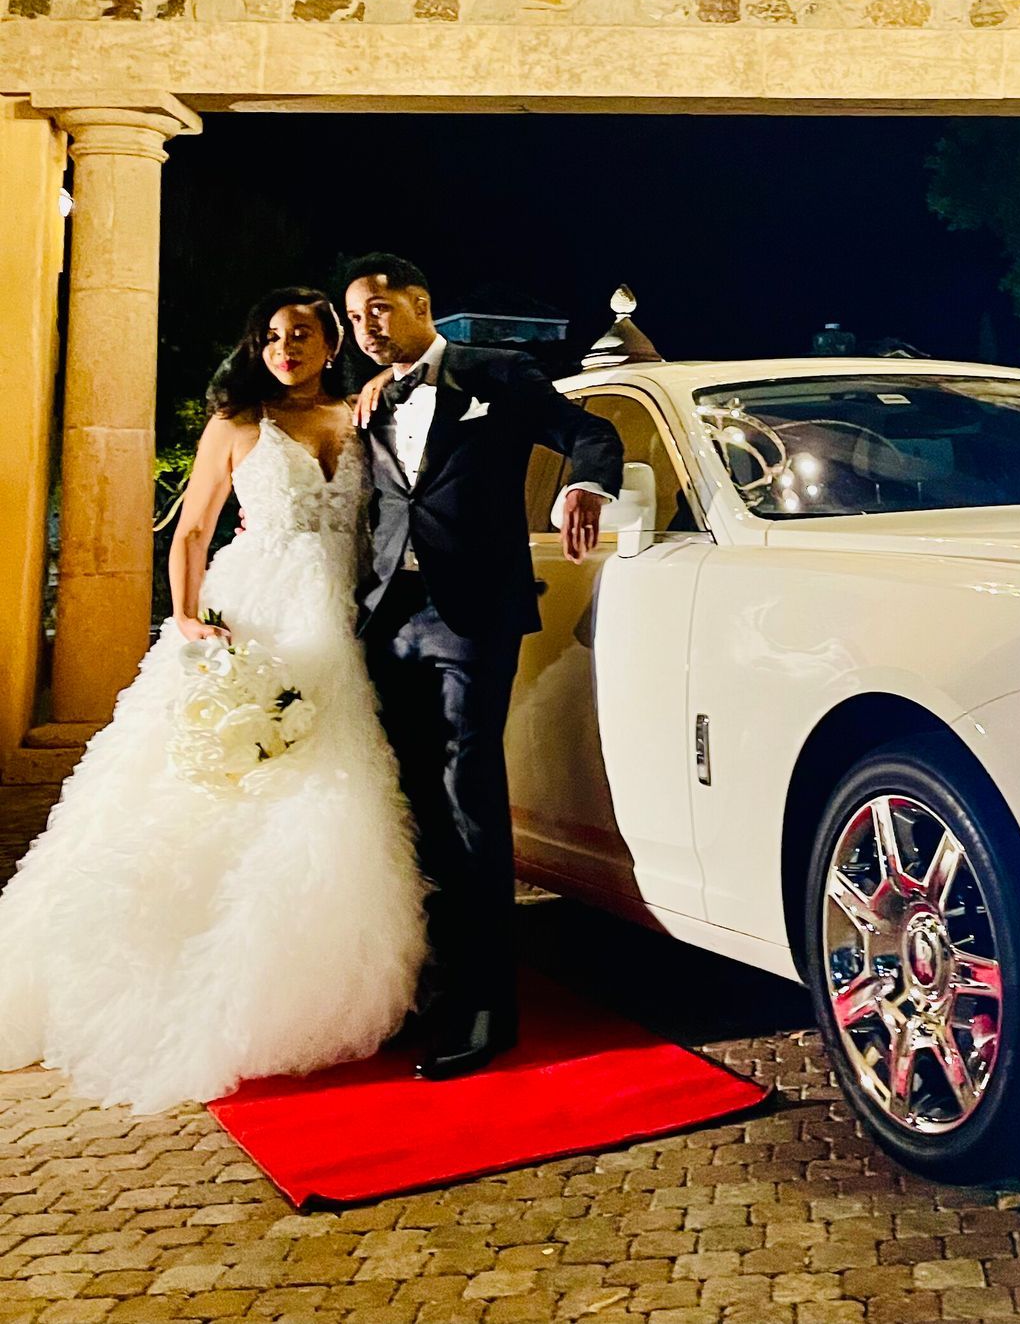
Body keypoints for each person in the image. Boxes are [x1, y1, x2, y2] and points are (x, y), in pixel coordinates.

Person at [0, 292, 427, 1113]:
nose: (285, 347)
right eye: (270, 336)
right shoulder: (237, 423)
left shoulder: (366, 414)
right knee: (220, 784)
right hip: (259, 614)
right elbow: (193, 529)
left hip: (344, 618)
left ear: (332, 342)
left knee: (336, 784)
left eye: (302, 333)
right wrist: (190, 618)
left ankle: (315, 969)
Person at [344, 254, 622, 1081]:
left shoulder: (495, 373)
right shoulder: (367, 401)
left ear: (423, 303)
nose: (369, 327)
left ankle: (489, 1012)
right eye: (357, 316)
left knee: (471, 802)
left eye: (382, 309)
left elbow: (591, 435)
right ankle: (432, 987)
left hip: (470, 618)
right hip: (386, 620)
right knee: (414, 809)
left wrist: (587, 488)